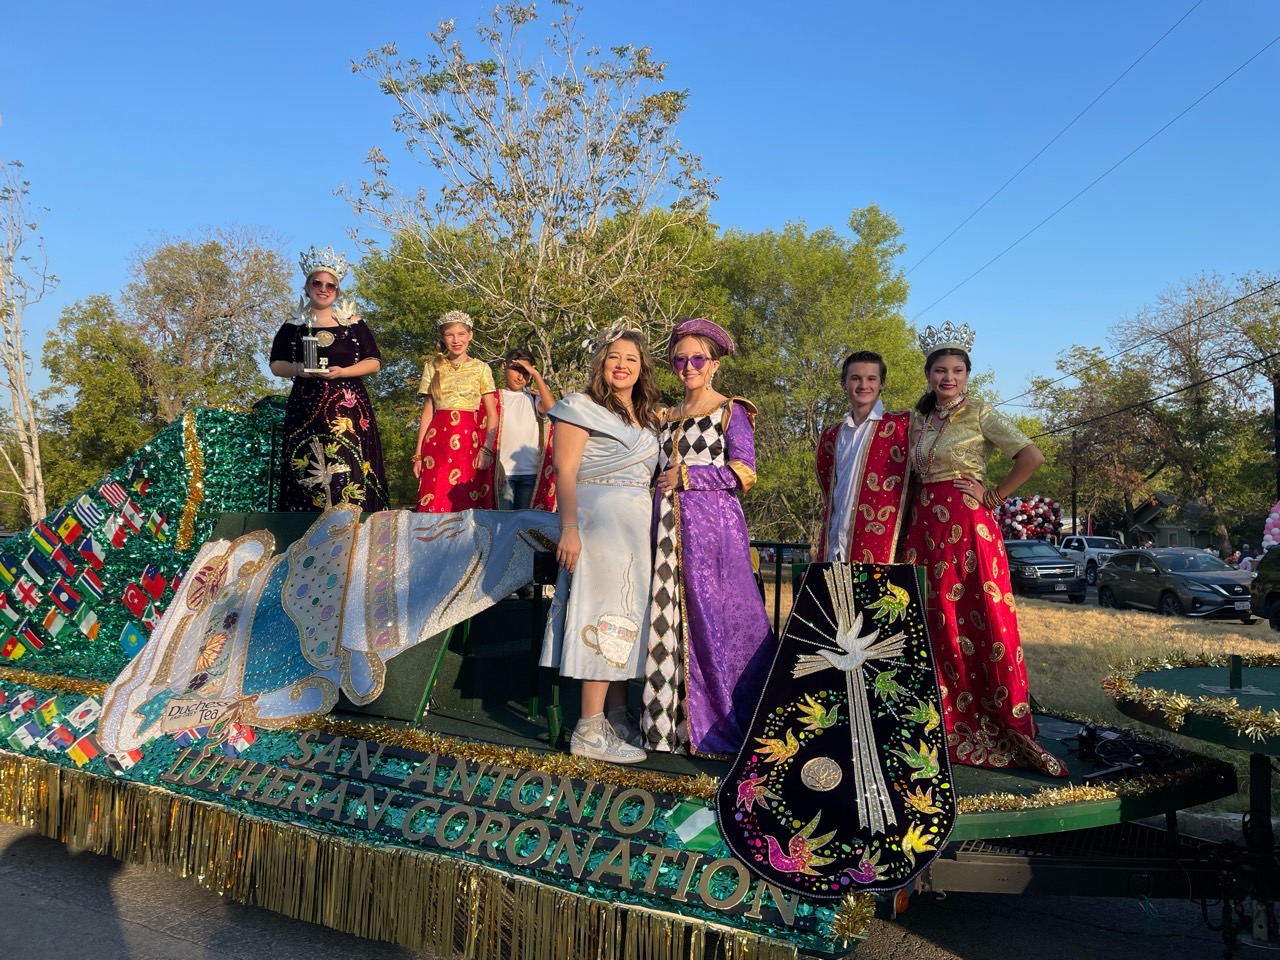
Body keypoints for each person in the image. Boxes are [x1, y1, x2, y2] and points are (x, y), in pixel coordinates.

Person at [902, 321, 1067, 778]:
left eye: (956, 370)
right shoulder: (917, 420)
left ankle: (982, 717)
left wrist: (994, 496)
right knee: (930, 616)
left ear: (966, 376)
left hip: (967, 525)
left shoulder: (980, 413)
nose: (948, 378)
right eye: (940, 370)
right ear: (928, 375)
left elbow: (1031, 456)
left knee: (972, 617)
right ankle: (935, 714)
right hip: (924, 528)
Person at [641, 318, 775, 756]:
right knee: (666, 618)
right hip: (663, 529)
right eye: (680, 359)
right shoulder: (663, 415)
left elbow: (746, 472)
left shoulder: (730, 410)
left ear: (714, 365)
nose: (688, 366)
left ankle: (720, 725)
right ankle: (667, 728)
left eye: (697, 358)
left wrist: (690, 475)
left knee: (714, 620)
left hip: (713, 531)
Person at [540, 325, 661, 764]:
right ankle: (589, 729)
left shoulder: (648, 418)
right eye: (614, 358)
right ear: (602, 364)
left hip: (637, 527)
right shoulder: (580, 407)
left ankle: (616, 715)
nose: (622, 365)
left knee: (629, 615)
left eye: (631, 359)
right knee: (605, 616)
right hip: (597, 523)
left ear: (642, 367)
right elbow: (565, 471)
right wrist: (569, 527)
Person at [268, 246, 389, 513]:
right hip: (306, 406)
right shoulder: (293, 325)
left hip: (348, 406)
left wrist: (343, 372)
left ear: (337, 290)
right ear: (308, 286)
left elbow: (374, 362)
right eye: (317, 283)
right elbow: (276, 365)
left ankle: (355, 526)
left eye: (330, 285)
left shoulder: (354, 323)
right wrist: (300, 369)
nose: (323, 289)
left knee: (350, 464)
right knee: (308, 463)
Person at [815, 350, 912, 564]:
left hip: (882, 551)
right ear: (844, 383)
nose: (863, 385)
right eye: (856, 378)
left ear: (882, 384)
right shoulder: (832, 435)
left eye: (871, 379)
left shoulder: (902, 427)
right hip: (835, 550)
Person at [413, 311, 498, 512]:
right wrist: (417, 455)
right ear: (442, 337)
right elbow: (427, 412)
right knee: (435, 496)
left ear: (470, 335)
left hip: (470, 443)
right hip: (437, 442)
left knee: (465, 499)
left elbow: (492, 414)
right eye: (450, 335)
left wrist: (487, 449)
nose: (456, 340)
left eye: (461, 334)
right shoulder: (432, 366)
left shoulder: (481, 368)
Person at [493, 347, 557, 511]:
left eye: (526, 372)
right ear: (504, 367)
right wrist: (496, 463)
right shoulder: (493, 398)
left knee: (526, 525)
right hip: (503, 472)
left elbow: (552, 409)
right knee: (505, 523)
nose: (521, 376)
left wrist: (536, 375)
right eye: (516, 370)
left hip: (531, 473)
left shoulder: (534, 398)